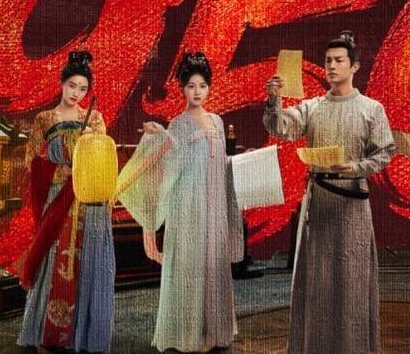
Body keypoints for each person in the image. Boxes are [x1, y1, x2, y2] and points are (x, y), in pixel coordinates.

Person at [263, 31, 395, 354]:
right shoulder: (313, 108)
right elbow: (281, 128)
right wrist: (274, 100)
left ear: (355, 66)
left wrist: (356, 168)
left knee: (351, 280)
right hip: (319, 202)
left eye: (339, 61)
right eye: (328, 61)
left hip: (352, 203)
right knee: (318, 281)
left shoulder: (371, 109)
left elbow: (385, 152)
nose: (332, 67)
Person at [117, 52, 245, 352]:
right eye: (191, 86)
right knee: (190, 266)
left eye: (202, 86)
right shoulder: (177, 124)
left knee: (212, 265)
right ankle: (189, 334)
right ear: (182, 89)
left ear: (209, 87)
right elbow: (166, 162)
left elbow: (222, 163)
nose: (197, 92)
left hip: (214, 205)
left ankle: (213, 331)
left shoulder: (217, 121)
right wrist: (156, 136)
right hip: (187, 207)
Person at [17, 50, 114, 353]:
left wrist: (85, 154)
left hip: (87, 198)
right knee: (54, 258)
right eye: (72, 85)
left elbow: (101, 157)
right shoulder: (44, 119)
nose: (76, 93)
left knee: (88, 262)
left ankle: (81, 337)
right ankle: (48, 335)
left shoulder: (94, 119)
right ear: (61, 84)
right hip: (57, 196)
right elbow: (31, 159)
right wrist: (60, 158)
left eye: (83, 88)